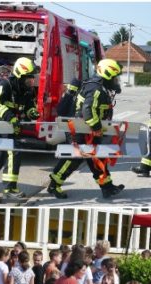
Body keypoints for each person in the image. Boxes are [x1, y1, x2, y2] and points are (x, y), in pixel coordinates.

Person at [46, 59, 125, 199]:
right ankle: (53, 185)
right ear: (107, 74)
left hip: (87, 130)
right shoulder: (96, 89)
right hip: (80, 131)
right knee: (73, 159)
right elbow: (87, 110)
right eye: (114, 77)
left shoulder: (98, 86)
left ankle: (107, 187)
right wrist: (97, 127)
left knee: (96, 158)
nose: (116, 80)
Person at [0, 57, 38, 202]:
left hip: (11, 124)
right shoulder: (5, 84)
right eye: (28, 78)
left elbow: (29, 105)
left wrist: (32, 112)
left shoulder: (26, 89)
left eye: (31, 78)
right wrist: (10, 117)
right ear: (19, 75)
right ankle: (9, 189)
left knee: (0, 155)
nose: (31, 81)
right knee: (12, 152)